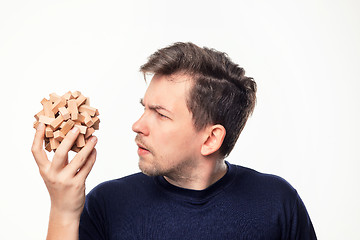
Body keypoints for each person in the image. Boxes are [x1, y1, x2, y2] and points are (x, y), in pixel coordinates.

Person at [32, 42, 317, 239]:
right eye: (144, 107)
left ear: (211, 138)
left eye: (160, 114)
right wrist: (63, 210)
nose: (137, 125)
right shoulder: (108, 204)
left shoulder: (277, 203)